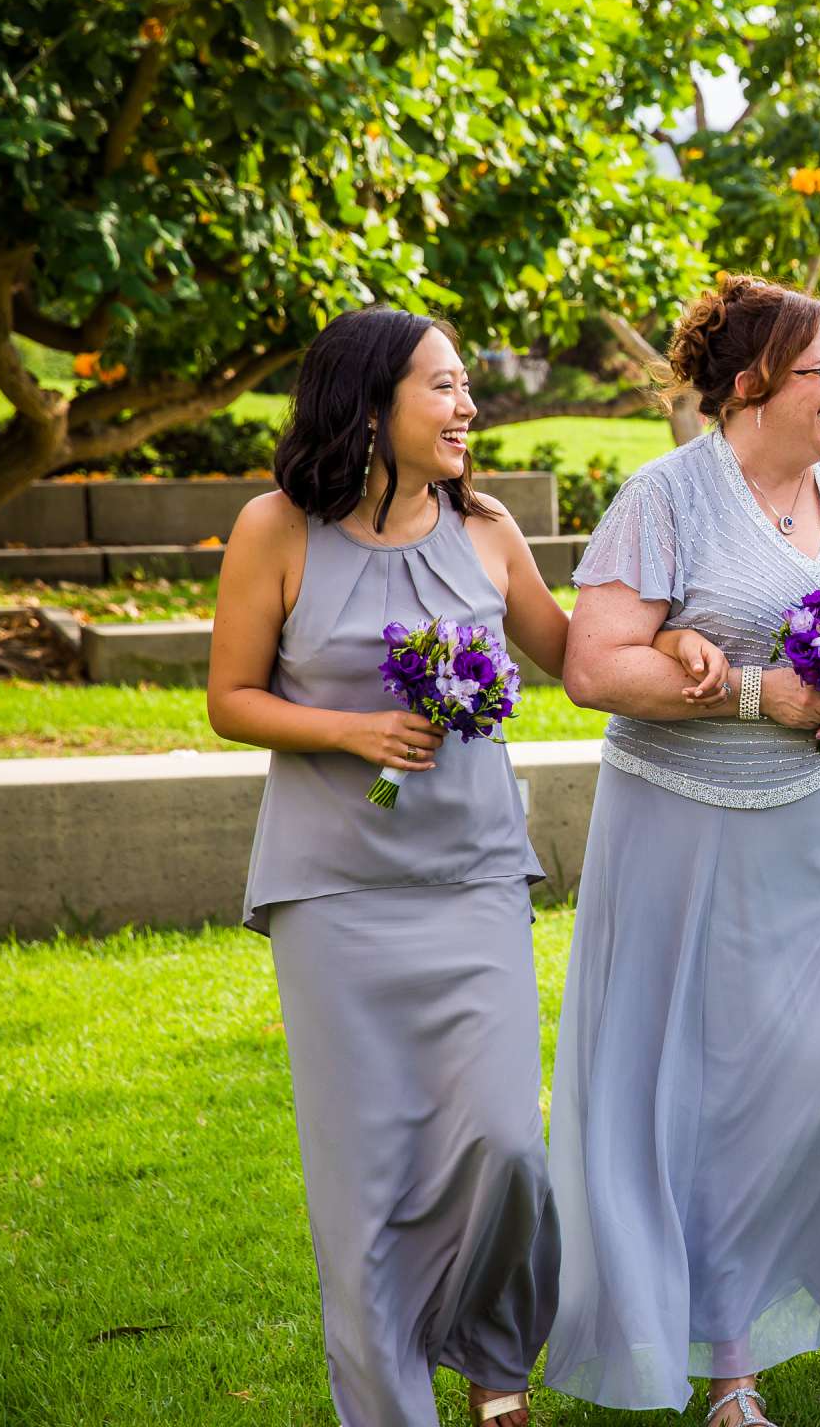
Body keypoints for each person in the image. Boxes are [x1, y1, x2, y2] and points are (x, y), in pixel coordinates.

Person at [212, 306, 705, 1427]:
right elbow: (229, 697)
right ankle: (394, 1407)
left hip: (475, 875)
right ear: (371, 401)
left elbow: (576, 656)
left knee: (506, 1147)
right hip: (332, 893)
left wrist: (669, 640)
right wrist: (352, 734)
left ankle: (492, 1352)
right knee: (364, 1186)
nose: (468, 406)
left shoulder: (484, 530)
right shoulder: (275, 529)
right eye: (443, 385)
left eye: (466, 385)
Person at [543, 274, 820, 1427]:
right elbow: (594, 668)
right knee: (719, 1093)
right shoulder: (666, 497)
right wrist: (750, 699)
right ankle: (729, 1356)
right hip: (693, 827)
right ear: (751, 383)